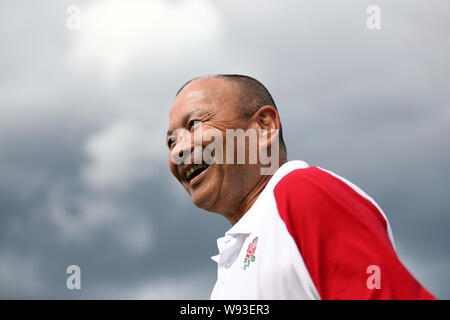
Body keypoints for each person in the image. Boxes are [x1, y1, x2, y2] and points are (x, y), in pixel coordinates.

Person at [166, 74, 436, 299]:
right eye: (170, 142)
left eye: (195, 124)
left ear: (265, 126)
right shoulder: (231, 267)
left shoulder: (300, 192)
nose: (178, 150)